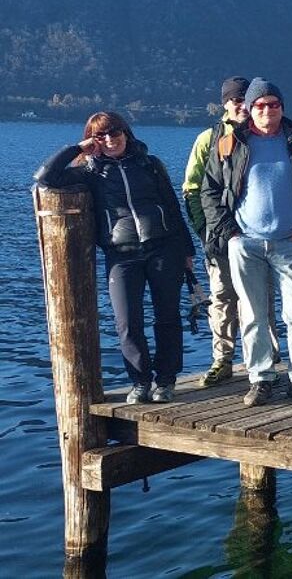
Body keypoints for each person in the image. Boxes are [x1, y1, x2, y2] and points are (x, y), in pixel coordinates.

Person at [36, 112, 195, 403]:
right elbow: (46, 178)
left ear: (126, 132)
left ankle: (166, 381)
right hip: (121, 255)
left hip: (163, 248)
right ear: (92, 139)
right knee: (127, 322)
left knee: (168, 317)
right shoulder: (88, 172)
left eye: (115, 132)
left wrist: (187, 251)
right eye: (101, 135)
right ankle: (140, 381)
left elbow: (172, 207)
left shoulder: (150, 164)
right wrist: (78, 149)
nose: (110, 139)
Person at [201, 78, 292, 406]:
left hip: (290, 242)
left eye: (273, 104)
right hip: (245, 244)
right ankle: (261, 378)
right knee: (253, 316)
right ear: (250, 108)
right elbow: (209, 190)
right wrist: (230, 232)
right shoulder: (230, 143)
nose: (267, 110)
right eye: (260, 105)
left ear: (282, 108)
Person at [183, 76, 250, 387]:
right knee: (222, 297)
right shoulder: (208, 139)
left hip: (255, 236)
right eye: (236, 100)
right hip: (218, 236)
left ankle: (262, 360)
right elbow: (192, 190)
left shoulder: (264, 134)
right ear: (225, 103)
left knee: (257, 299)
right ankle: (222, 359)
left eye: (247, 99)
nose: (243, 105)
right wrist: (205, 230)